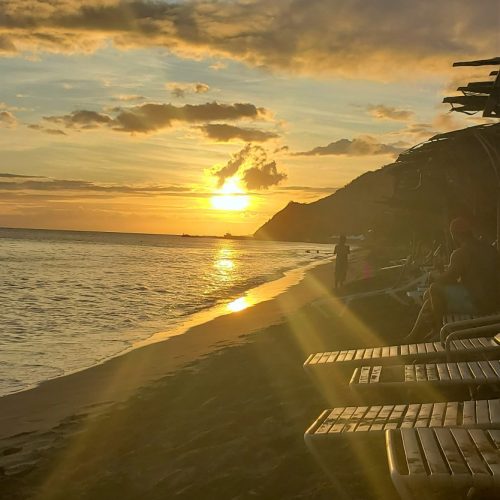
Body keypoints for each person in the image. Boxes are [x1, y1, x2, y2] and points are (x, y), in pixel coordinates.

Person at [406, 217, 499, 341]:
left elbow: (446, 280)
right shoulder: (490, 249)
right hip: (495, 301)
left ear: (454, 235)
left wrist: (435, 275)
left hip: (480, 304)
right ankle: (415, 335)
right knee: (430, 296)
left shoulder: (461, 253)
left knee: (433, 289)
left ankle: (439, 331)